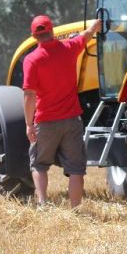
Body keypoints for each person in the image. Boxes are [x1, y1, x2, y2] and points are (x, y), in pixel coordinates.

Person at [22, 15, 102, 207]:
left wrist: (28, 124)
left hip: (45, 121)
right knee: (76, 169)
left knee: (39, 165)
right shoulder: (68, 48)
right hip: (72, 120)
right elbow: (86, 35)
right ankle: (75, 210)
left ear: (34, 36)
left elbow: (29, 95)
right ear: (52, 30)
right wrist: (95, 26)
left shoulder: (31, 60)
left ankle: (42, 204)